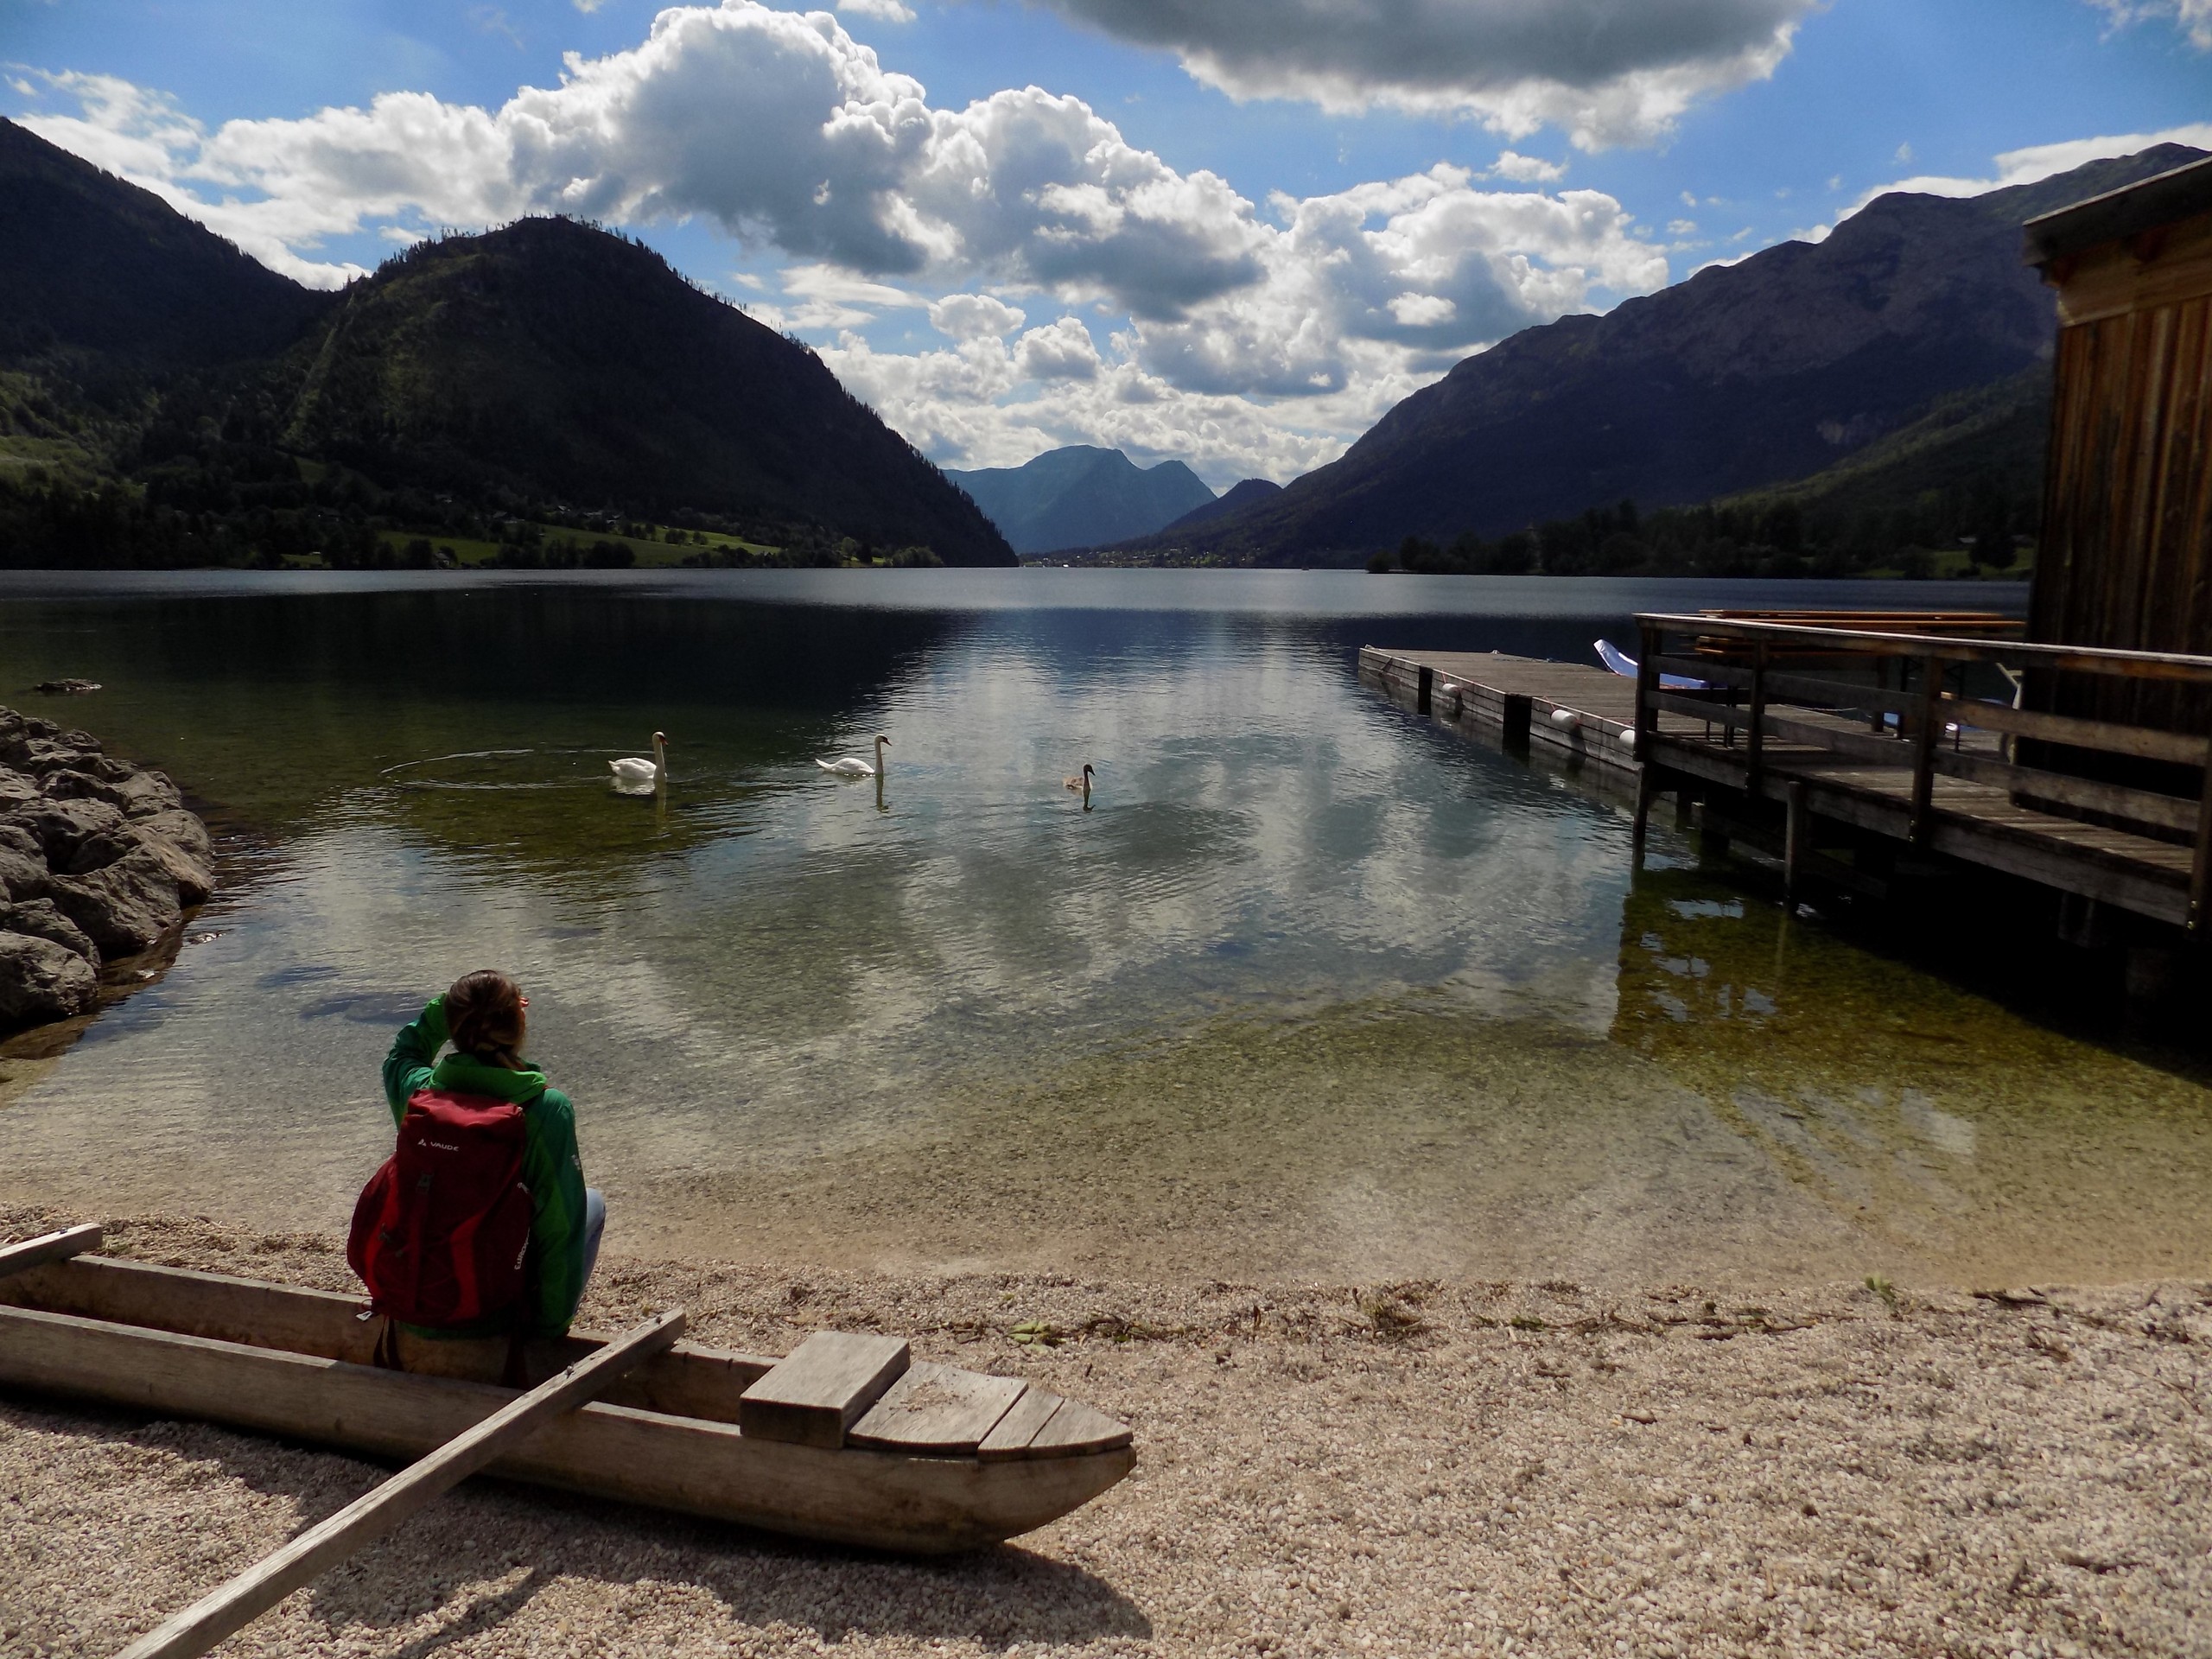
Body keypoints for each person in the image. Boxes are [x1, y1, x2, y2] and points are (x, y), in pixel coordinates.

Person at [379, 969, 603, 1338]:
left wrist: (448, 1006)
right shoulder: (546, 1110)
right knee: (590, 1204)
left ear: (454, 1027)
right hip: (499, 1315)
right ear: (519, 1025)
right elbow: (559, 1230)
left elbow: (403, 1053)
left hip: (418, 1307)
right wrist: (549, 1330)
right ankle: (547, 1322)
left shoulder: (419, 1095)